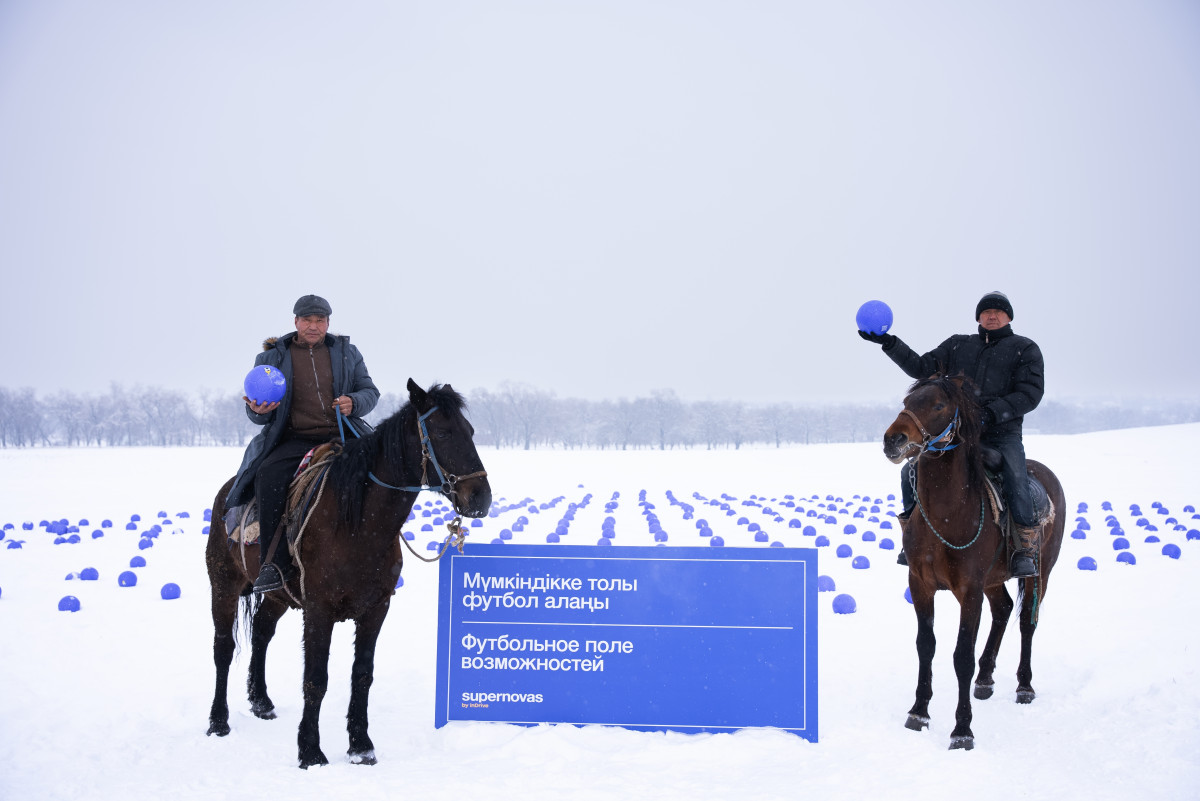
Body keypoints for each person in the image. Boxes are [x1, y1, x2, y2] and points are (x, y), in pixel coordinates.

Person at [859, 291, 1045, 578]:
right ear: (978, 318)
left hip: (1000, 435)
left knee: (1016, 478)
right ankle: (912, 537)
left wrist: (991, 413)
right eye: (985, 312)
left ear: (1009, 317)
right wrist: (889, 343)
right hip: (955, 436)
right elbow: (921, 368)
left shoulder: (1025, 349)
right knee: (911, 472)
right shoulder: (959, 345)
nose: (991, 316)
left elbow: (1030, 394)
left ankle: (1024, 549)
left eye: (998, 312)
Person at [226, 294, 380, 594]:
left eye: (319, 320)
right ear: (295, 321)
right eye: (307, 320)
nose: (313, 326)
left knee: (379, 475)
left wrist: (354, 402)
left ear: (328, 323)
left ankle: (376, 555)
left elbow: (369, 391)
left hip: (342, 436)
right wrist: (258, 411)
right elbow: (258, 411)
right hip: (293, 439)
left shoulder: (348, 353)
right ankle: (275, 563)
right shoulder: (270, 359)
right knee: (268, 476)